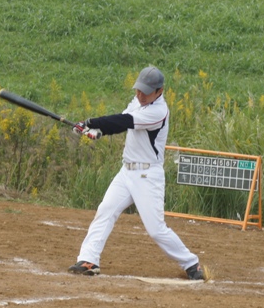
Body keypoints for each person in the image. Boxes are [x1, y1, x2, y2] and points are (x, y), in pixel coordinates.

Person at [67, 66, 205, 281]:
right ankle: (89, 260)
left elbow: (125, 122)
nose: (140, 95)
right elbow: (121, 119)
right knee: (105, 211)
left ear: (159, 91)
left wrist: (90, 123)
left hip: (148, 176)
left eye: (145, 92)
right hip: (126, 172)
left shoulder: (158, 112)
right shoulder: (138, 102)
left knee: (156, 230)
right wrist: (99, 131)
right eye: (138, 90)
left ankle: (191, 263)